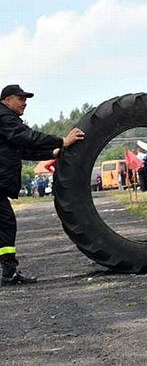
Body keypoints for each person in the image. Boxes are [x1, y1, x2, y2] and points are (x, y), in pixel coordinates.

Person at [0, 84, 85, 286]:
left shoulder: (6, 121)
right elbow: (27, 137)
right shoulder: (4, 118)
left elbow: (23, 150)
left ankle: (9, 271)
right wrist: (61, 141)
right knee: (6, 224)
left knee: (5, 224)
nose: (25, 103)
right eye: (21, 99)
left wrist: (53, 152)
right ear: (7, 100)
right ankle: (9, 272)